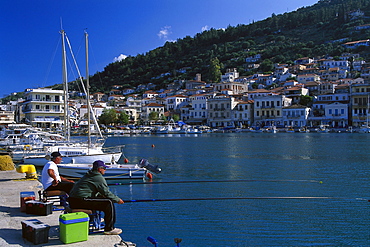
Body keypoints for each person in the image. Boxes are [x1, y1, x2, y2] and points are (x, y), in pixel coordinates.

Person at [68, 160, 124, 235]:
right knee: (108, 203)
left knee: (103, 199)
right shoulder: (98, 177)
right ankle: (109, 228)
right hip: (80, 201)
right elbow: (106, 193)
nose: (105, 170)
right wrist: (118, 200)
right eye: (104, 168)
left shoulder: (89, 174)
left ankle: (100, 219)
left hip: (74, 200)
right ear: (99, 169)